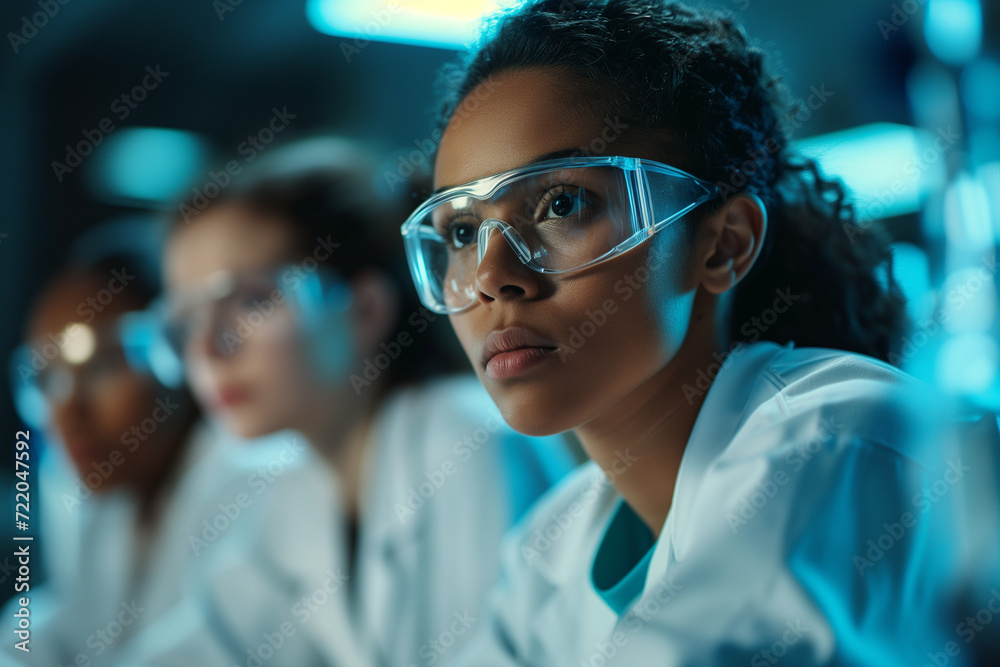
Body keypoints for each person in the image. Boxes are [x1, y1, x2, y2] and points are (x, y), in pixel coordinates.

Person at [398, 1, 977, 664]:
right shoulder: (548, 552)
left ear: (723, 244)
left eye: (562, 203)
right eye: (463, 233)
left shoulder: (831, 437)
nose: (493, 276)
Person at [146, 137, 576, 666]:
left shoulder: (465, 439)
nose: (209, 348)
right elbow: (209, 646)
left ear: (366, 309)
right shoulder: (293, 489)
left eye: (253, 301)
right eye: (187, 320)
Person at [2, 246, 277, 667]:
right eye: (48, 380)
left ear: (174, 352)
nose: (68, 413)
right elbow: (74, 623)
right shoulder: (87, 501)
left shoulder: (252, 484)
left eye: (101, 368)